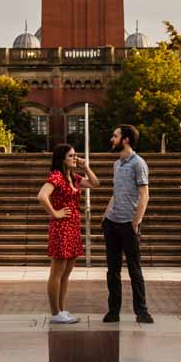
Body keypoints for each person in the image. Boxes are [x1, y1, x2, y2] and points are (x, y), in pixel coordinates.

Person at [38, 142, 99, 324]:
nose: (75, 158)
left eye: (75, 155)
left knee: (66, 273)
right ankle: (55, 312)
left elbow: (95, 183)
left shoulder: (73, 177)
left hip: (73, 228)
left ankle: (62, 310)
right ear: (62, 159)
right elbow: (42, 196)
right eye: (71, 156)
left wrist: (86, 166)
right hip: (61, 228)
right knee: (57, 273)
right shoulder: (56, 176)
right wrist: (55, 213)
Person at [102, 124, 153, 323]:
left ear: (125, 140)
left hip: (128, 225)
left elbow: (144, 195)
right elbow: (116, 193)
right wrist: (105, 215)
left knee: (134, 269)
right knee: (112, 270)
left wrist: (135, 222)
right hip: (111, 223)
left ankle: (142, 311)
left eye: (115, 136)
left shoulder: (138, 164)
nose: (111, 139)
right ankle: (113, 311)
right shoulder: (117, 164)